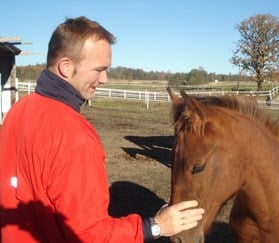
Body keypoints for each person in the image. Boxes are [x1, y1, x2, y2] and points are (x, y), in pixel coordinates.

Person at [0, 16, 204, 242]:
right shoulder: (74, 135)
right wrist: (155, 226)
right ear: (66, 67)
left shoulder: (19, 109)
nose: (104, 79)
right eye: (99, 69)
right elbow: (90, 235)